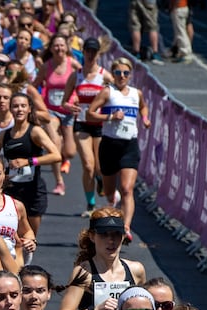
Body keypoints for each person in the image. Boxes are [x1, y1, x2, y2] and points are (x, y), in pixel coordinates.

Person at [86, 58, 149, 244]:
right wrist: (110, 116)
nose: (122, 76)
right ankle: (110, 195)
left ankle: (126, 227)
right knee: (109, 192)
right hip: (109, 145)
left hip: (129, 146)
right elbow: (90, 114)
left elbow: (143, 107)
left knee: (127, 188)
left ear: (130, 75)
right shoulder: (107, 92)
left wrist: (145, 119)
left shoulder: (136, 93)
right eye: (118, 73)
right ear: (112, 74)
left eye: (125, 73)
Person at [0, 91, 61, 237]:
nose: (19, 109)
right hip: (11, 190)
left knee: (29, 237)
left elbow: (56, 155)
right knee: (13, 236)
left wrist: (29, 161)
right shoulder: (4, 135)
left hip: (32, 190)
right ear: (10, 109)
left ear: (29, 109)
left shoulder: (35, 131)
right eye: (16, 106)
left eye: (23, 106)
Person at [62, 36, 110, 217]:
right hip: (81, 124)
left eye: (93, 52)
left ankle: (100, 179)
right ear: (83, 53)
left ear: (98, 54)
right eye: (87, 51)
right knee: (88, 166)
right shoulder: (76, 75)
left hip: (100, 125)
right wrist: (69, 106)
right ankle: (91, 205)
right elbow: (64, 101)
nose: (90, 55)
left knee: (99, 167)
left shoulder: (105, 76)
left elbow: (115, 97)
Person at [33, 33, 79, 195]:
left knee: (70, 152)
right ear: (51, 49)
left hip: (68, 111)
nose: (59, 48)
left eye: (62, 45)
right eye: (56, 46)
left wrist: (77, 97)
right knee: (54, 143)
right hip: (51, 110)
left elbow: (82, 82)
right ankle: (59, 182)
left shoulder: (73, 64)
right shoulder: (47, 66)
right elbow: (35, 85)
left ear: (66, 48)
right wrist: (35, 101)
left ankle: (64, 155)